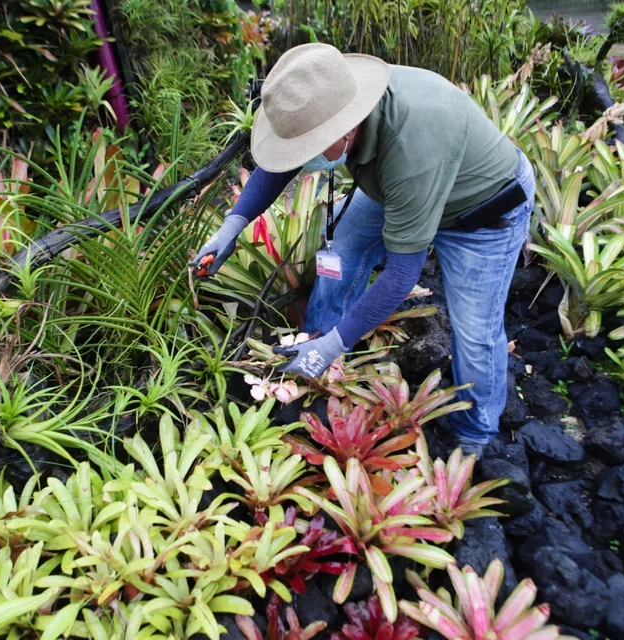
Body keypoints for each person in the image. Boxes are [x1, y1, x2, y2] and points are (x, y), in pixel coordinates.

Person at [192, 43, 536, 457]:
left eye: (310, 147)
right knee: (348, 240)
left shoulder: (411, 147)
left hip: (481, 213)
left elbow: (401, 275)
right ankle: (316, 342)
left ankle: (476, 431)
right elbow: (278, 163)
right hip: (401, 186)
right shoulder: (333, 97)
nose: (303, 159)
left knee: (475, 334)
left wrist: (335, 345)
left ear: (346, 130)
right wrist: (233, 225)